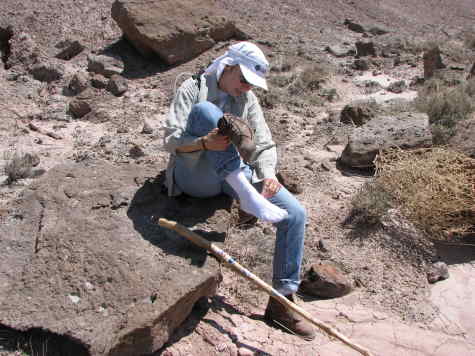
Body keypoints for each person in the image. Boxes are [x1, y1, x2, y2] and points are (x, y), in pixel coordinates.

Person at [163, 42, 315, 340]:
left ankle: (281, 303)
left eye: (252, 83)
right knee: (207, 112)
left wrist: (268, 174)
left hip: (232, 177)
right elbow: (170, 140)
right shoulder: (193, 87)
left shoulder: (248, 100)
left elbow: (264, 144)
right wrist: (203, 143)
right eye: (243, 80)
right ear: (228, 66)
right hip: (197, 174)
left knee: (295, 214)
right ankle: (245, 192)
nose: (246, 88)